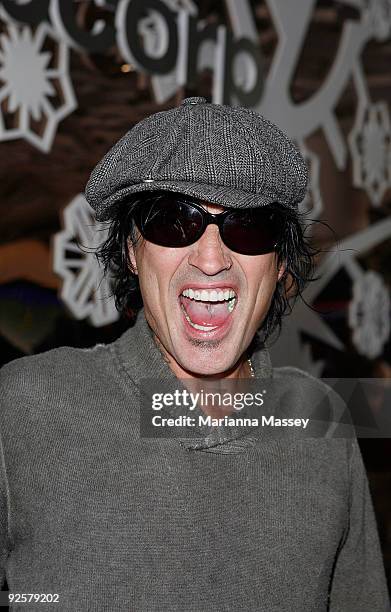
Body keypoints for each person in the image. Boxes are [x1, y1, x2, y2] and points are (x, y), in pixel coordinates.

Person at [0, 97, 389, 611]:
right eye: (172, 222)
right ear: (133, 252)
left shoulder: (322, 419)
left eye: (248, 226)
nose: (210, 259)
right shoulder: (27, 404)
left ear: (279, 266)